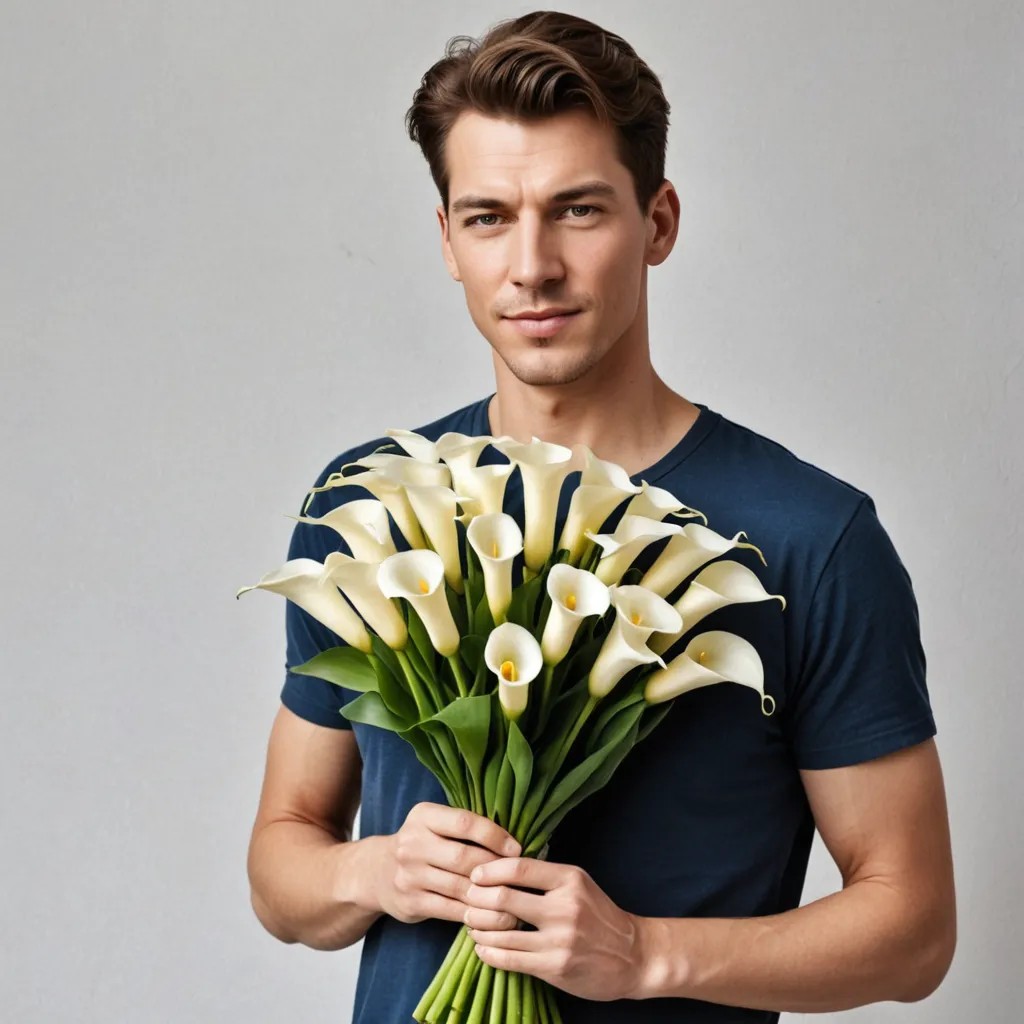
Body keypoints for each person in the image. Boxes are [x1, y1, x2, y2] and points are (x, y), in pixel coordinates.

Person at [246, 11, 956, 1023]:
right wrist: (376, 870)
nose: (531, 265)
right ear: (447, 240)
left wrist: (645, 953)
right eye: (488, 217)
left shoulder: (812, 536)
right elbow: (281, 866)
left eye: (577, 210)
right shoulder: (370, 504)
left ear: (658, 223)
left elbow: (915, 931)